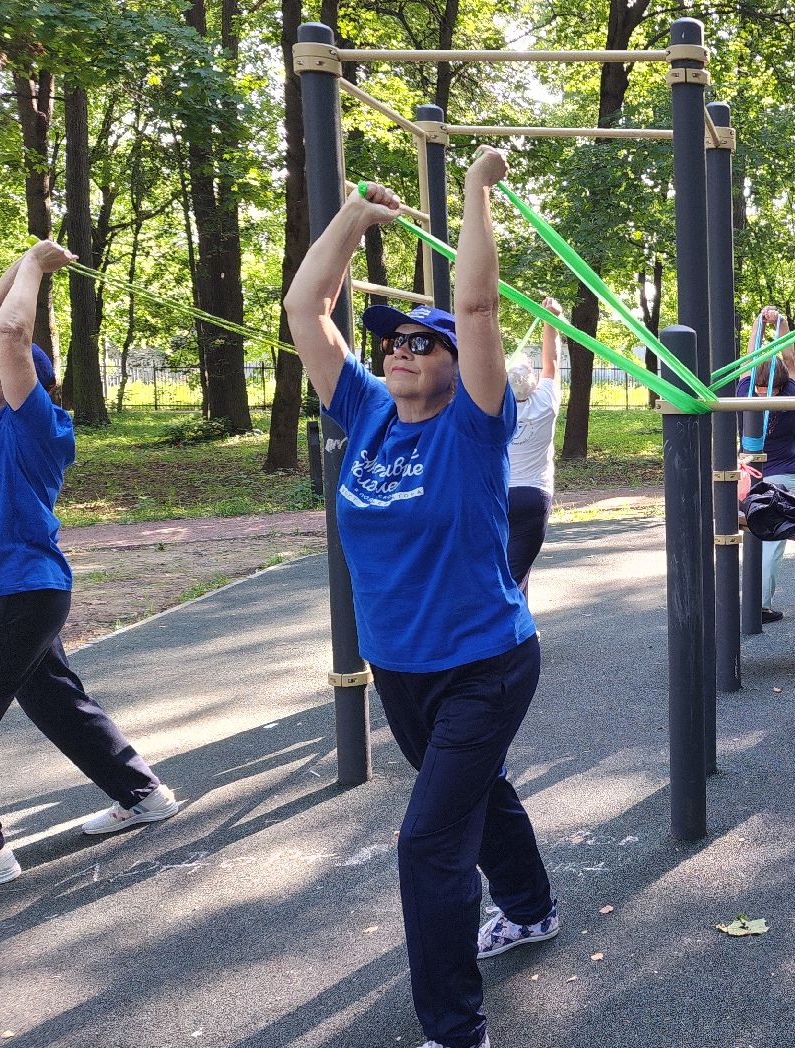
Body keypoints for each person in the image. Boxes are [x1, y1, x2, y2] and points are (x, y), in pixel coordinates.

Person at [283, 153, 552, 1048]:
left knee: (430, 840)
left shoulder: (474, 422)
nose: (402, 348)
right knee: (479, 790)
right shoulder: (362, 413)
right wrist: (354, 216)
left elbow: (476, 308)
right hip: (399, 667)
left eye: (421, 341)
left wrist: (476, 196)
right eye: (394, 339)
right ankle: (531, 905)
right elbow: (304, 310)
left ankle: (453, 1026)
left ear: (454, 363)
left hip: (485, 664)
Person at [0, 240, 182, 905]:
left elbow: (7, 333)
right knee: (57, 701)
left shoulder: (34, 428)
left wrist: (37, 271)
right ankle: (143, 794)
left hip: (22, 597)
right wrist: (24, 258)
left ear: (25, 375)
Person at [735, 306, 795, 624]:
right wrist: (783, 324)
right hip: (783, 478)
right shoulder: (787, 396)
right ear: (782, 381)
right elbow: (788, 359)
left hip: (747, 480)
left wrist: (758, 325)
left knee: (749, 537)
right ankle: (758, 604)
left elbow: (749, 361)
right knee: (771, 544)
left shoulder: (744, 394)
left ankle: (744, 600)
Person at [504, 299, 563, 594]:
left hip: (498, 494)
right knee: (517, 571)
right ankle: (514, 634)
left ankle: (516, 627)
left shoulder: (494, 409)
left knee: (505, 569)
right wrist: (550, 320)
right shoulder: (545, 402)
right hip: (534, 494)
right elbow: (551, 361)